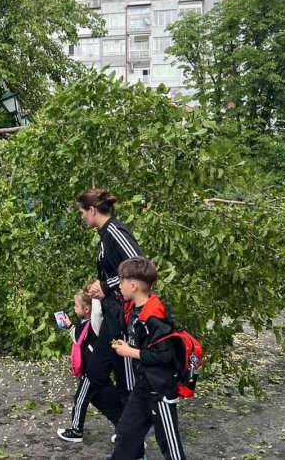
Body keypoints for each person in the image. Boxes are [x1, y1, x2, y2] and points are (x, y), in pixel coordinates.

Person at [106, 257, 186, 460]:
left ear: (133, 285)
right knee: (125, 434)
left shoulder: (154, 314)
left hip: (160, 391)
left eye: (121, 281)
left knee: (170, 446)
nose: (119, 286)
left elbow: (165, 355)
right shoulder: (133, 309)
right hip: (143, 387)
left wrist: (130, 352)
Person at [78, 188, 144, 405]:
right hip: (112, 311)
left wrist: (107, 285)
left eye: (82, 212)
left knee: (125, 375)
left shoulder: (115, 230)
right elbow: (116, 272)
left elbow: (140, 265)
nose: (82, 217)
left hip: (124, 313)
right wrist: (100, 287)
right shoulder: (104, 234)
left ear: (92, 210)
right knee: (98, 371)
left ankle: (131, 424)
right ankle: (124, 421)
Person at [57, 281, 123, 444]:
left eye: (76, 306)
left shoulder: (95, 322)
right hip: (100, 368)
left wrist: (70, 325)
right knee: (105, 399)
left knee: (81, 398)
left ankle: (76, 431)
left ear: (87, 309)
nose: (74, 308)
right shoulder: (89, 323)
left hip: (93, 369)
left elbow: (91, 320)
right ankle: (125, 430)